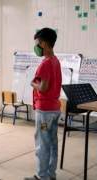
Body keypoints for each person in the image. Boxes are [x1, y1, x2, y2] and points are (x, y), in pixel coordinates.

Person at [25, 28, 62, 180]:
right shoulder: (56, 61)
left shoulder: (46, 63)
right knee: (52, 142)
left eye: (38, 43)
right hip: (54, 109)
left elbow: (44, 87)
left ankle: (41, 177)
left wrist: (33, 84)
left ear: (45, 43)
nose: (36, 47)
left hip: (44, 112)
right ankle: (50, 174)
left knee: (42, 143)